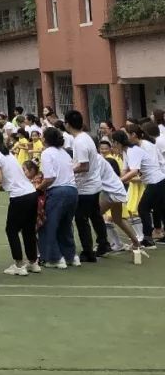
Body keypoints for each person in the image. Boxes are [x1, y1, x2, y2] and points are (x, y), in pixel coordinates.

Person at [0, 131, 40, 276]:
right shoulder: (7, 153)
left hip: (19, 196)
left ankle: (19, 265)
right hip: (31, 193)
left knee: (11, 230)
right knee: (28, 230)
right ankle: (33, 263)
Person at [66, 111, 110, 262]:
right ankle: (103, 243)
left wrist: (68, 169)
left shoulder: (79, 141)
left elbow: (84, 166)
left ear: (67, 124)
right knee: (95, 216)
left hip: (86, 186)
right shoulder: (86, 137)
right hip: (93, 184)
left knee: (81, 218)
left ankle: (88, 251)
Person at [113, 129, 161, 250]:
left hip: (157, 181)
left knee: (143, 208)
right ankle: (149, 238)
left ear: (118, 142)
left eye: (114, 143)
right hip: (153, 182)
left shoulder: (133, 151)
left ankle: (148, 240)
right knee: (156, 209)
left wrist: (119, 181)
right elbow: (125, 170)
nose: (113, 146)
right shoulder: (126, 152)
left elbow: (134, 171)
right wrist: (118, 180)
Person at [39, 126, 78, 269]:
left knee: (49, 225)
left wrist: (38, 189)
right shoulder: (64, 153)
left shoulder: (47, 153)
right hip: (72, 191)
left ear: (46, 139)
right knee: (66, 225)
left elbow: (49, 177)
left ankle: (55, 258)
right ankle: (71, 256)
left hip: (57, 191)